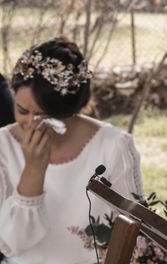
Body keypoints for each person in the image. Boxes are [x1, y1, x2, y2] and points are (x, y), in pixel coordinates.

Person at [0, 37, 143, 263]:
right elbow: (8, 244)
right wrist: (33, 172)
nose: (30, 123)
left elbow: (132, 234)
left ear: (67, 111)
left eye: (43, 116)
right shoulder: (3, 146)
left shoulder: (114, 145)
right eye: (21, 110)